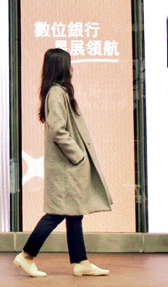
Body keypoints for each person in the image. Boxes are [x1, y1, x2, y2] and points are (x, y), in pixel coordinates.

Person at [13, 48, 113, 278]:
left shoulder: (57, 92)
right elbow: (58, 131)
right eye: (68, 63)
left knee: (74, 214)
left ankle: (81, 261)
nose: (71, 67)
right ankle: (26, 255)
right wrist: (78, 155)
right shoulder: (57, 93)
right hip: (67, 167)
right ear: (61, 67)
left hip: (69, 167)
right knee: (57, 213)